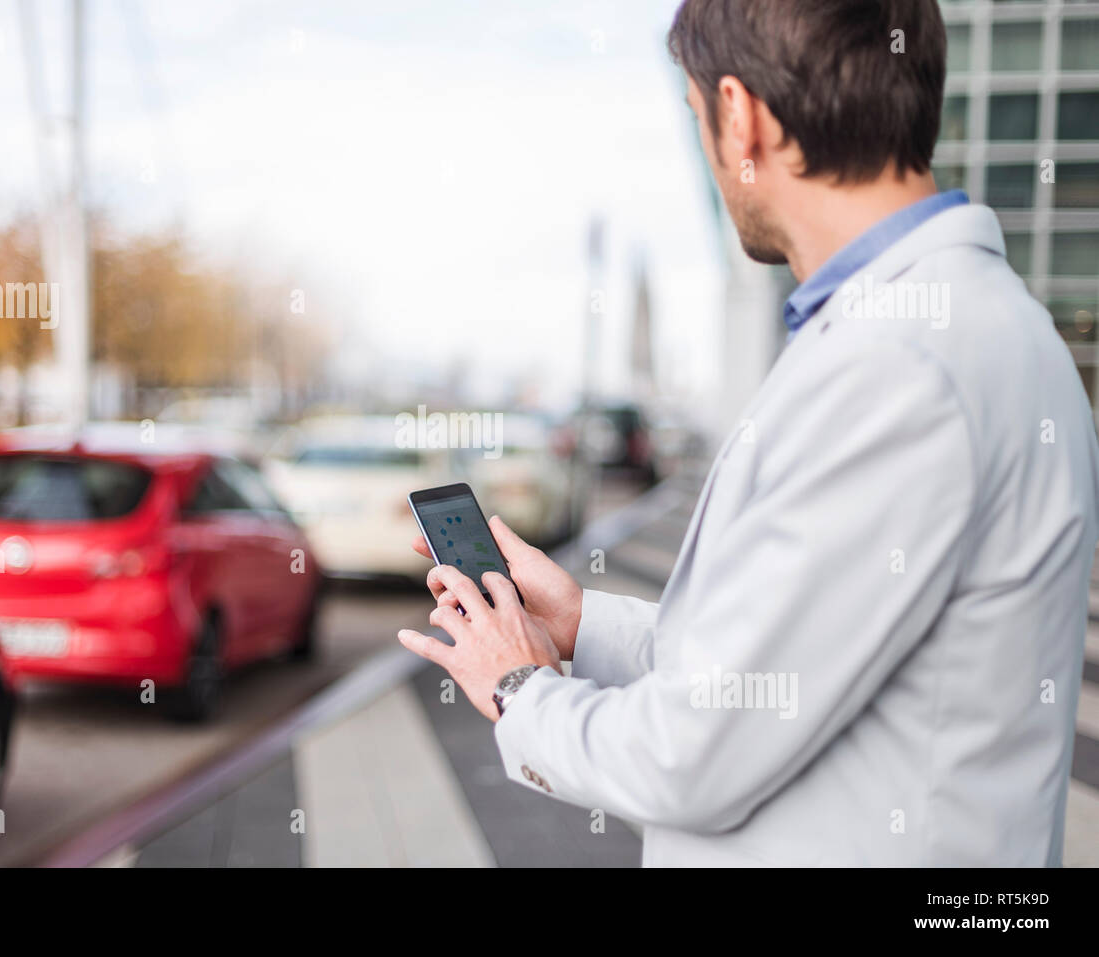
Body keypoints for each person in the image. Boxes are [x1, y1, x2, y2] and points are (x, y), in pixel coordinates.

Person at [397, 0, 1099, 866]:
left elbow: (691, 752)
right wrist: (582, 624)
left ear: (741, 115)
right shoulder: (964, 329)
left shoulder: (901, 367)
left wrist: (518, 687)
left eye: (698, 118)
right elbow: (781, 664)